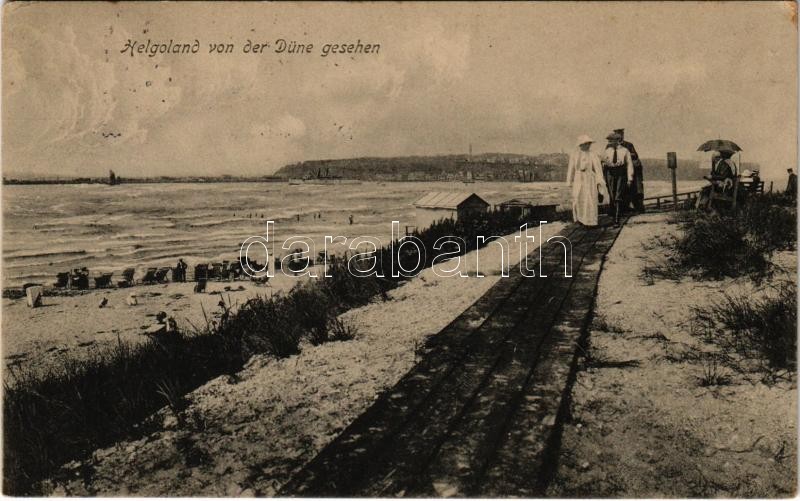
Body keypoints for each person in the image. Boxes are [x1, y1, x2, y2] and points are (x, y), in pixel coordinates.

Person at [566, 135, 610, 227]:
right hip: (578, 178)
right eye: (585, 144)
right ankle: (580, 219)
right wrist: (569, 181)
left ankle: (591, 221)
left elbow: (597, 168)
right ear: (581, 144)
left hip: (589, 178)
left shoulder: (593, 154)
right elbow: (571, 168)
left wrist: (600, 180)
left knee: (590, 198)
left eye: (589, 144)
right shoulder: (575, 154)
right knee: (578, 197)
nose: (587, 146)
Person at [602, 133, 634, 226]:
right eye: (609, 141)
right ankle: (613, 216)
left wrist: (630, 178)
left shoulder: (625, 151)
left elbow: (629, 165)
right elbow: (603, 162)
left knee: (618, 195)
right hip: (610, 173)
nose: (609, 142)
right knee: (612, 194)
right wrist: (605, 164)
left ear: (617, 141)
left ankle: (617, 219)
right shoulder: (607, 151)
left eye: (611, 140)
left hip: (621, 173)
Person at [613, 128, 645, 213]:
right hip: (619, 171)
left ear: (623, 135)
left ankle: (638, 207)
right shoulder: (611, 146)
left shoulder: (629, 145)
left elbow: (635, 155)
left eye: (621, 134)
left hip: (630, 170)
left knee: (635, 189)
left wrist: (626, 154)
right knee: (621, 190)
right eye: (617, 135)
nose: (619, 137)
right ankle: (622, 209)